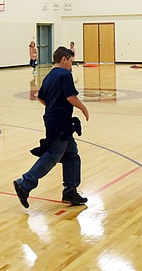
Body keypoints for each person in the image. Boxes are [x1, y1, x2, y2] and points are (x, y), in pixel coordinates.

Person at [13, 46, 90, 208]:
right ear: (64, 59)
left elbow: (40, 97)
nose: (71, 64)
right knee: (55, 153)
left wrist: (52, 107)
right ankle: (25, 183)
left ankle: (70, 190)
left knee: (71, 154)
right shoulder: (64, 74)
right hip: (60, 121)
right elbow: (70, 96)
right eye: (71, 61)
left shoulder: (49, 75)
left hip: (53, 118)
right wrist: (83, 108)